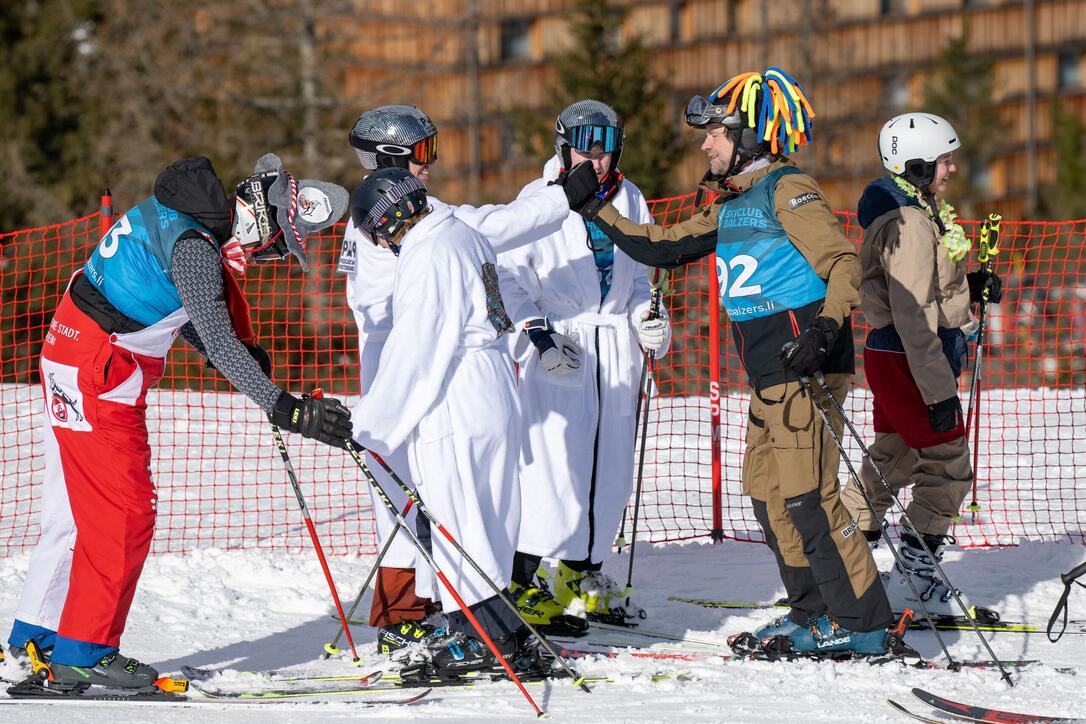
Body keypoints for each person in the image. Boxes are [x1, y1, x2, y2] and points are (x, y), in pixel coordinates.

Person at [572, 68, 901, 656]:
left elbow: (844, 263)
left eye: (717, 132)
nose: (706, 143)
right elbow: (663, 247)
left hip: (807, 365)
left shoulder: (787, 189)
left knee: (812, 496)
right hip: (770, 374)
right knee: (768, 494)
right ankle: (813, 613)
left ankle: (863, 625)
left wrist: (825, 330)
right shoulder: (732, 202)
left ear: (752, 134)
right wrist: (595, 206)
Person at [7, 154, 351, 691]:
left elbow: (168, 305)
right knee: (125, 514)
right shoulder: (196, 248)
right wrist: (283, 405)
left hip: (73, 356)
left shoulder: (187, 216)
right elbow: (211, 331)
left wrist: (233, 354)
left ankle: (40, 638)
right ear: (261, 220)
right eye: (277, 244)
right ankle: (84, 651)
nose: (270, 257)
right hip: (99, 373)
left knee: (75, 513)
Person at [340, 104, 599, 653]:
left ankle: (466, 616)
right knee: (413, 495)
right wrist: (559, 197)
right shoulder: (391, 219)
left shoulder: (413, 221)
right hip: (414, 365)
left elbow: (481, 231)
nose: (430, 166)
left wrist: (555, 195)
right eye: (423, 154)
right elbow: (490, 228)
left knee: (453, 499)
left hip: (437, 369)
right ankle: (407, 610)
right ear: (393, 157)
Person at [348, 168, 548, 680]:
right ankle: (499, 624)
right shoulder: (462, 232)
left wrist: (366, 422)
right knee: (490, 511)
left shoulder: (429, 253)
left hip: (457, 392)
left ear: (393, 215)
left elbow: (418, 348)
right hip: (494, 383)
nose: (385, 243)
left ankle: (476, 633)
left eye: (381, 230)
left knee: (458, 515)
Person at [497, 99, 671, 629]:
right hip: (563, 343)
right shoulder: (539, 198)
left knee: (611, 466)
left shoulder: (630, 196)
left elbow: (640, 275)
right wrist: (536, 329)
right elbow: (507, 276)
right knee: (553, 464)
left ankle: (583, 569)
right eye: (584, 147)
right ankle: (522, 579)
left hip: (614, 347)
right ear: (563, 146)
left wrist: (646, 318)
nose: (595, 158)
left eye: (606, 148)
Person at [839, 112, 1003, 619]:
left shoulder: (917, 212)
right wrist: (938, 392)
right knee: (949, 469)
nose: (951, 170)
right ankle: (912, 580)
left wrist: (969, 287)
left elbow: (923, 290)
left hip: (902, 355)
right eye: (943, 161)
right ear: (915, 166)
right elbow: (912, 313)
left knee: (897, 456)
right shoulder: (909, 222)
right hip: (914, 355)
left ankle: (841, 566)